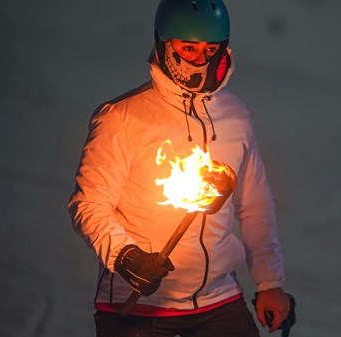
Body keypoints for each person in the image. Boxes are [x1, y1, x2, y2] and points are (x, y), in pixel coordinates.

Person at [68, 0, 290, 336]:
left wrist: (269, 281)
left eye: (210, 49)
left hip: (218, 298)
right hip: (137, 304)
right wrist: (127, 258)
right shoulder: (121, 117)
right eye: (188, 48)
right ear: (163, 43)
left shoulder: (235, 115)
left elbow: (255, 205)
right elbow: (89, 205)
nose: (201, 60)